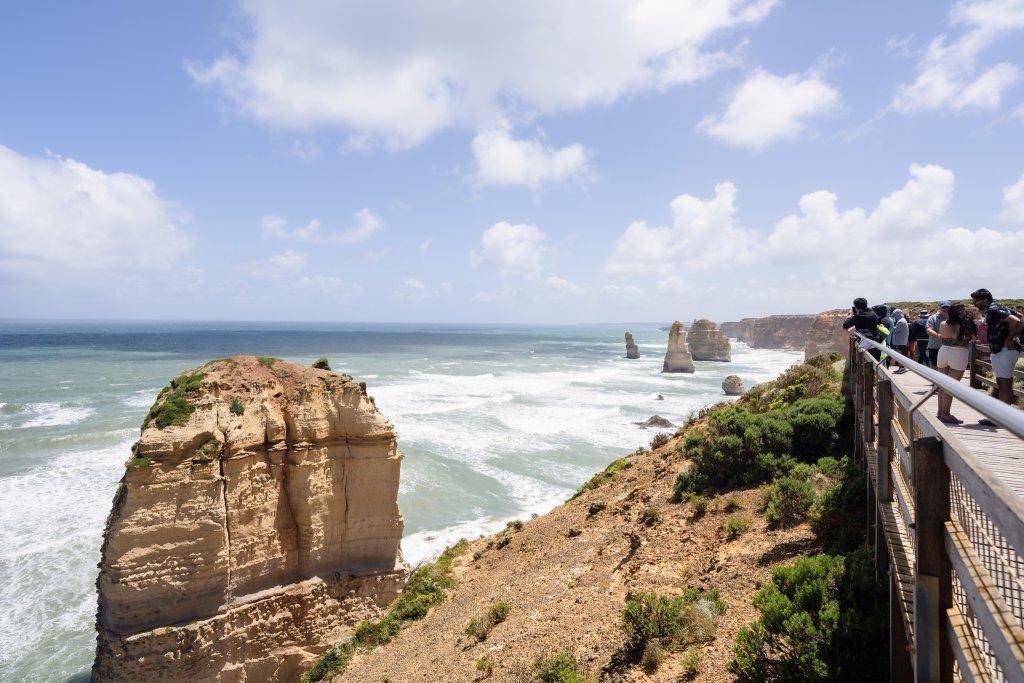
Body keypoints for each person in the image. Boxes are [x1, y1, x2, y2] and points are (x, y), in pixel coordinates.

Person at [971, 288, 1022, 422]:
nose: (975, 304)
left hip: (1003, 350)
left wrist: (1010, 338)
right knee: (1006, 383)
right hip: (1005, 350)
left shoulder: (993, 310)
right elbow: (1021, 318)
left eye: (976, 301)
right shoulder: (999, 307)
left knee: (1004, 384)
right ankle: (1005, 416)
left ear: (985, 301)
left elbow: (1016, 321)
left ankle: (1002, 419)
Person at [935, 303, 978, 424]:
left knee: (942, 385)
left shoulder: (943, 324)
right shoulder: (968, 325)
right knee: (951, 386)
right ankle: (946, 414)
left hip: (943, 352)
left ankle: (940, 412)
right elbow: (975, 339)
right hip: (959, 353)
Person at [926, 302, 950, 368]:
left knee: (947, 366)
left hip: (949, 347)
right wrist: (938, 335)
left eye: (947, 307)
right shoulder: (932, 318)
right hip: (935, 347)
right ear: (939, 308)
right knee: (934, 365)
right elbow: (928, 330)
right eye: (944, 307)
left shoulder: (952, 317)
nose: (946, 309)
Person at [890, 309, 910, 373]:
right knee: (901, 355)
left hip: (900, 342)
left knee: (900, 355)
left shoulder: (901, 321)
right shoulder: (902, 320)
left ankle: (902, 368)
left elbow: (895, 330)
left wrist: (891, 325)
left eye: (894, 315)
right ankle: (901, 368)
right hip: (901, 341)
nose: (894, 317)